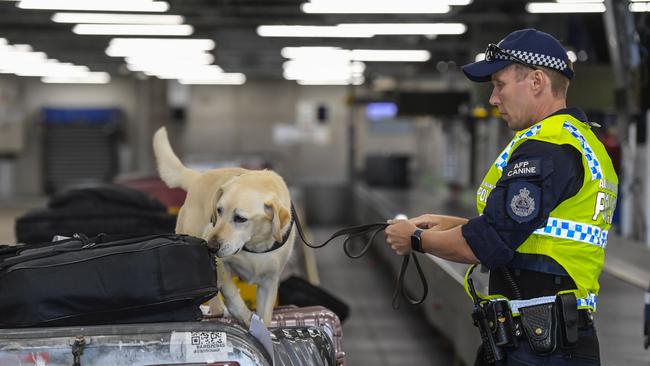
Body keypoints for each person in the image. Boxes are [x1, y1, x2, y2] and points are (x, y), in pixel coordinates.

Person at [384, 28, 618, 365]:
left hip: (540, 348)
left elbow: (487, 244)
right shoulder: (579, 142)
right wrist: (450, 225)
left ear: (536, 82)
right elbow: (531, 234)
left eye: (499, 85)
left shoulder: (547, 149)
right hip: (549, 340)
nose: (493, 99)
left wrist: (416, 239)